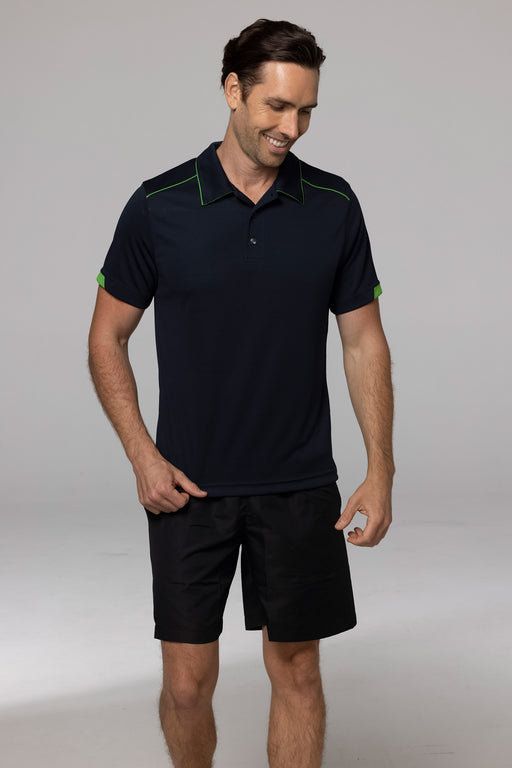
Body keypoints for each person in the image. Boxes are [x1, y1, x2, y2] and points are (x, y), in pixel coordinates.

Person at [88, 17, 394, 768]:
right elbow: (106, 338)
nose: (292, 127)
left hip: (299, 484)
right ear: (233, 90)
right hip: (188, 486)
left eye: (307, 109)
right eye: (276, 106)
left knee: (299, 673)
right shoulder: (159, 205)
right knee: (187, 685)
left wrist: (381, 468)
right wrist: (142, 457)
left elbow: (364, 341)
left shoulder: (333, 204)